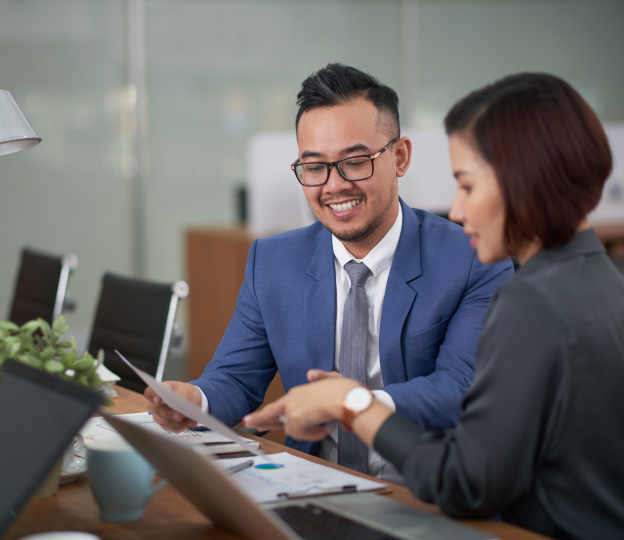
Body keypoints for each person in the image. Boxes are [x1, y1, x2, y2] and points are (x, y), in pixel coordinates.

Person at [244, 72, 624, 539]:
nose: (458, 211)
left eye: (467, 185)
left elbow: (463, 483)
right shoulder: (602, 280)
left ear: (524, 179)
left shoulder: (530, 304)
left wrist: (352, 401)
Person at [146, 64, 513, 481]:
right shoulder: (273, 261)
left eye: (355, 162)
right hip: (311, 482)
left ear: (400, 157)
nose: (333, 186)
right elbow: (236, 377)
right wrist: (194, 398)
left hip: (424, 491)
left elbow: (460, 389)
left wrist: (352, 403)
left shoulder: (472, 259)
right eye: (314, 167)